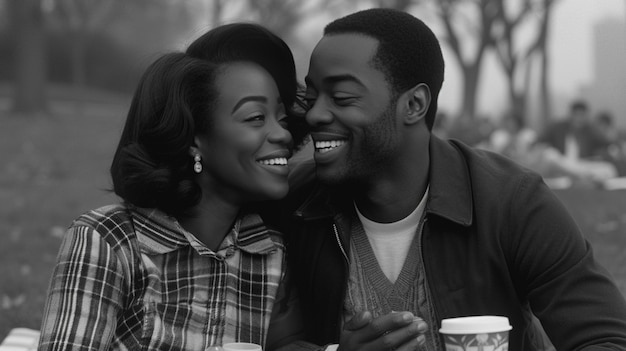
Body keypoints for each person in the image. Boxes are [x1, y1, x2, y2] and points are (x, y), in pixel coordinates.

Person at [281, 8, 626, 351]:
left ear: (414, 104)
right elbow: (249, 336)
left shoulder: (511, 201)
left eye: (341, 97)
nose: (315, 114)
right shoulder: (293, 203)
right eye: (310, 99)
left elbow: (607, 339)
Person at [38, 23, 307, 350]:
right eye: (255, 117)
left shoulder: (272, 253)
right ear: (195, 137)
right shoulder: (109, 242)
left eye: (280, 118)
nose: (282, 134)